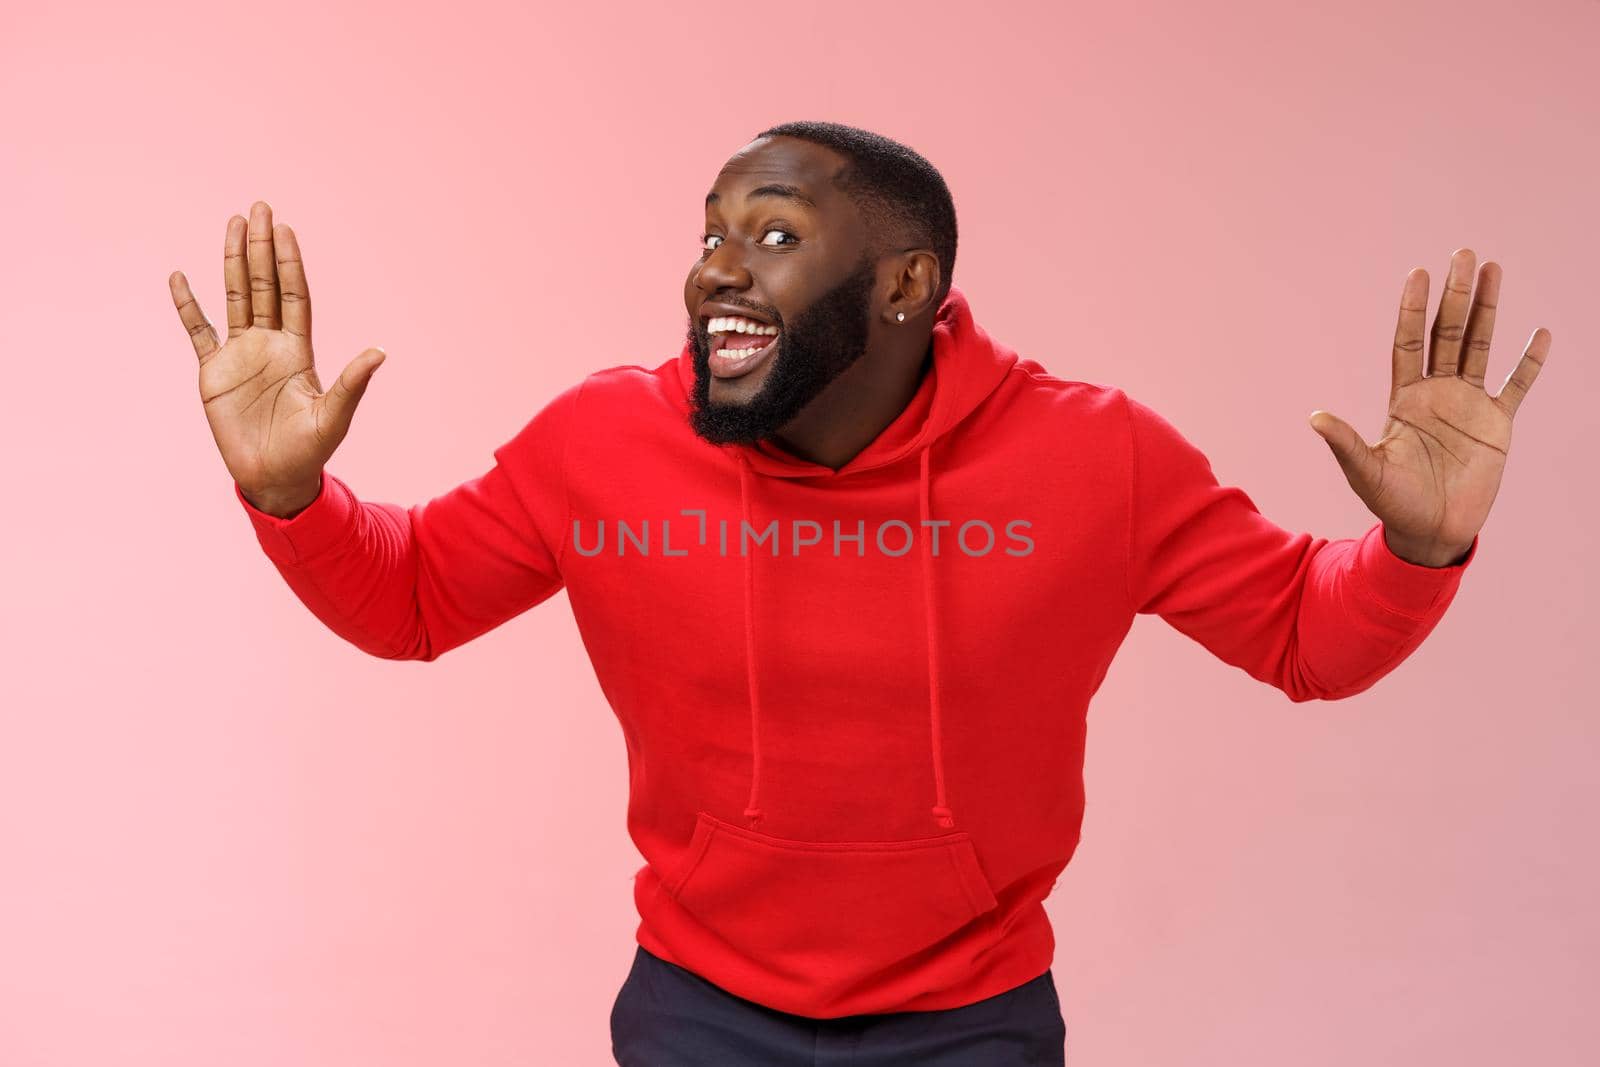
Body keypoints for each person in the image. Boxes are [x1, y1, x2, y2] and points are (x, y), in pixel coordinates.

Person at [168, 120, 1551, 1066]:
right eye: (712, 232)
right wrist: (292, 498)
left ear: (906, 281)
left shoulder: (1094, 454)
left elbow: (1306, 633)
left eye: (770, 235)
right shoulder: (603, 443)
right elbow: (410, 597)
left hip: (977, 1020)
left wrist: (1419, 551)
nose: (716, 265)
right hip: (699, 1012)